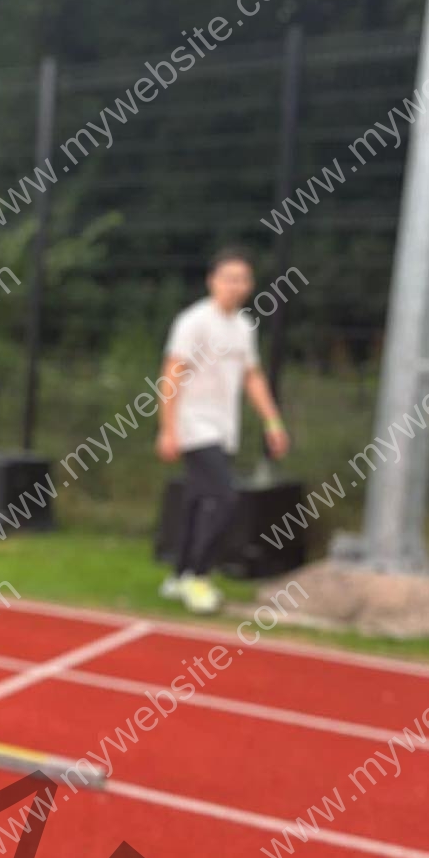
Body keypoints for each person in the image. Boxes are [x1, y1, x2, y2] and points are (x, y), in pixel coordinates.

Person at [156, 247, 289, 614]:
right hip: (192, 426)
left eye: (243, 279)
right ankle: (198, 577)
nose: (236, 286)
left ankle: (179, 575)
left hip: (223, 428)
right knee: (225, 498)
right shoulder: (193, 322)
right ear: (212, 281)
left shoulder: (244, 327)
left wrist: (272, 421)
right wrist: (167, 429)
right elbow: (171, 376)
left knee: (199, 502)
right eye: (229, 278)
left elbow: (252, 376)